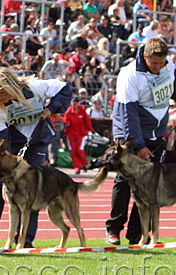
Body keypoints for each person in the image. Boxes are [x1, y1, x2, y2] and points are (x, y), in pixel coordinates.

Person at [0, 67, 72, 249]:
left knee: (31, 190)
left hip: (37, 143)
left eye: (1, 93)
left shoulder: (35, 87)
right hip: (11, 147)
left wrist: (51, 108)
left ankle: (25, 240)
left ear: (11, 86)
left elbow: (65, 88)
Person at [107, 38, 176, 246]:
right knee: (125, 181)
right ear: (145, 56)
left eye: (162, 63)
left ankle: (137, 235)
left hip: (157, 131)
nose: (158, 67)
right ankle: (114, 229)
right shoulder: (130, 75)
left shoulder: (168, 65)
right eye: (154, 63)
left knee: (149, 185)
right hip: (130, 133)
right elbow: (129, 116)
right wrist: (138, 146)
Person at [64, 97, 93, 174]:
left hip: (80, 134)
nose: (74, 106)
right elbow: (65, 121)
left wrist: (91, 129)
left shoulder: (82, 111)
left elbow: (87, 120)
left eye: (76, 104)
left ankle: (84, 164)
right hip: (71, 134)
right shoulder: (68, 112)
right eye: (73, 104)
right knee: (73, 151)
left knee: (79, 150)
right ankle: (77, 167)